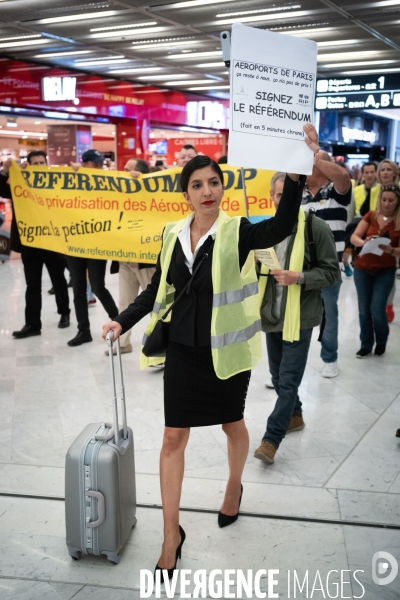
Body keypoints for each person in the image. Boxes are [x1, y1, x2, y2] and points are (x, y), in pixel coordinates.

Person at [102, 123, 318, 581]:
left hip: (226, 357)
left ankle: (234, 487)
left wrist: (297, 174)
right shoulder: (170, 236)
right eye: (196, 185)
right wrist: (123, 319)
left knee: (230, 424)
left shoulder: (238, 231)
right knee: (172, 439)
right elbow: (158, 291)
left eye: (213, 183)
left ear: (223, 188)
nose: (206, 191)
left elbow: (281, 225)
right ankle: (169, 536)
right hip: (181, 351)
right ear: (186, 194)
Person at [254, 172, 340, 464]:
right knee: (278, 378)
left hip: (299, 318)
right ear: (272, 197)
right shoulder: (265, 229)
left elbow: (331, 272)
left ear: (299, 195)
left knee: (288, 382)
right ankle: (296, 416)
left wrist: (299, 277)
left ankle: (271, 438)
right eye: (278, 195)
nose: (283, 199)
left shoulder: (315, 228)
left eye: (288, 194)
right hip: (272, 316)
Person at [0, 151, 70, 338]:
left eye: (42, 162)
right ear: (28, 164)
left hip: (52, 241)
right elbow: (1, 189)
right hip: (29, 243)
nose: (39, 165)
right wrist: (6, 171)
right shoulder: (20, 184)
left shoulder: (56, 183)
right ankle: (32, 324)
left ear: (46, 163)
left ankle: (64, 313)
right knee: (32, 285)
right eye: (35, 162)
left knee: (59, 281)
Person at [301, 151, 351, 378]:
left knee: (328, 314)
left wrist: (317, 158)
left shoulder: (336, 192)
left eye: (314, 160)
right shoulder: (298, 195)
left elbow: (342, 176)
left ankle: (330, 358)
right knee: (295, 316)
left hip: (330, 269)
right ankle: (285, 367)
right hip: (301, 270)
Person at [67, 149, 118, 347]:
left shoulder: (105, 181)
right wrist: (74, 174)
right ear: (85, 163)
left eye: (100, 164)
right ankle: (83, 330)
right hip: (76, 242)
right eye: (95, 164)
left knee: (98, 286)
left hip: (97, 242)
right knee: (78, 288)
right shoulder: (74, 178)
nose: (99, 167)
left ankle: (119, 321)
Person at [106, 158, 156, 356]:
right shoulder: (118, 192)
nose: (123, 172)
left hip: (146, 259)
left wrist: (143, 182)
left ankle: (163, 345)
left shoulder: (152, 193)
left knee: (155, 304)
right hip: (125, 258)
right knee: (125, 302)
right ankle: (123, 342)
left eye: (128, 170)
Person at [350, 184, 400, 357]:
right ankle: (366, 343)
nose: (386, 203)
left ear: (397, 201)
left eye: (391, 200)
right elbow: (354, 237)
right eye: (384, 199)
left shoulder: (399, 220)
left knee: (377, 308)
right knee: (363, 309)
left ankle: (381, 340)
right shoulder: (371, 215)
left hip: (385, 270)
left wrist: (391, 250)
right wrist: (364, 242)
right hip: (363, 268)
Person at [377, 159, 399, 323]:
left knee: (389, 270)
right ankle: (377, 305)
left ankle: (388, 304)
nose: (385, 172)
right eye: (382, 169)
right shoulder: (375, 191)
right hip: (377, 232)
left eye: (388, 169)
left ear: (394, 173)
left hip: (395, 233)